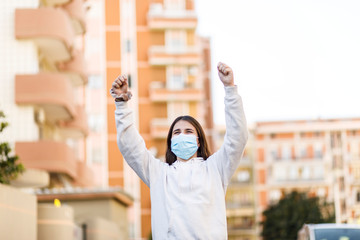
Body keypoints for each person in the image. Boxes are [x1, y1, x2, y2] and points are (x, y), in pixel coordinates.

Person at [110, 62, 248, 240]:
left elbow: (238, 138)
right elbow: (130, 147)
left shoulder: (216, 168)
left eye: (189, 131)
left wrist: (230, 90)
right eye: (177, 132)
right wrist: (121, 104)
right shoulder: (159, 173)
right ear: (171, 142)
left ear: (198, 141)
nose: (182, 135)